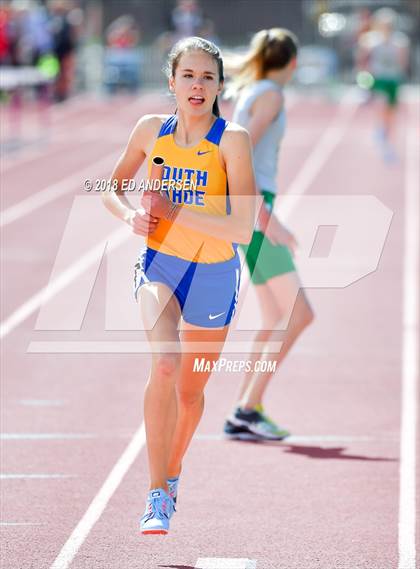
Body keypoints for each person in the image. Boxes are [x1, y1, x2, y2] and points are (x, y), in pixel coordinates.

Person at [102, 36, 255, 535]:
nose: (197, 85)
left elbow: (242, 229)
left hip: (214, 274)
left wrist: (176, 210)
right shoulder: (151, 130)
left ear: (218, 86)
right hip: (160, 266)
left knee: (190, 395)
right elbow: (111, 185)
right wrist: (129, 217)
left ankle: (172, 472)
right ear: (171, 81)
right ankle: (155, 494)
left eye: (207, 77)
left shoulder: (232, 139)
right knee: (165, 364)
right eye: (188, 75)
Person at [223, 28, 314, 441]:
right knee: (299, 314)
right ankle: (246, 408)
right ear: (292, 63)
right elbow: (240, 153)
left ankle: (246, 408)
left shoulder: (252, 90)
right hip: (254, 209)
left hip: (250, 208)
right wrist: (266, 216)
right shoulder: (271, 95)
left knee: (277, 316)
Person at [356, 8, 409, 161]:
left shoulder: (400, 41)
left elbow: (403, 62)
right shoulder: (370, 41)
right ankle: (381, 131)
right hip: (379, 79)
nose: (387, 27)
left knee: (391, 114)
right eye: (384, 24)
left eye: (390, 25)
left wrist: (401, 73)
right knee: (381, 104)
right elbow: (361, 58)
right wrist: (363, 74)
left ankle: (387, 138)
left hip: (393, 80)